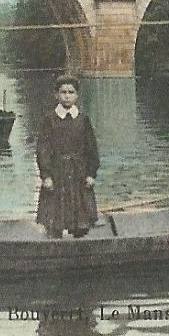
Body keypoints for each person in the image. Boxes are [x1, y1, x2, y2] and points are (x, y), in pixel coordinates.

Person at [35, 75, 100, 239]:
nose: (67, 95)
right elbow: (43, 149)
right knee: (54, 220)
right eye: (63, 92)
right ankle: (54, 248)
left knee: (81, 221)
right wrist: (46, 175)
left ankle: (79, 248)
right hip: (57, 174)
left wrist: (91, 173)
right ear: (56, 95)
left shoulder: (83, 119)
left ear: (76, 95)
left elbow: (91, 149)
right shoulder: (49, 120)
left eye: (71, 92)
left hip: (79, 174)